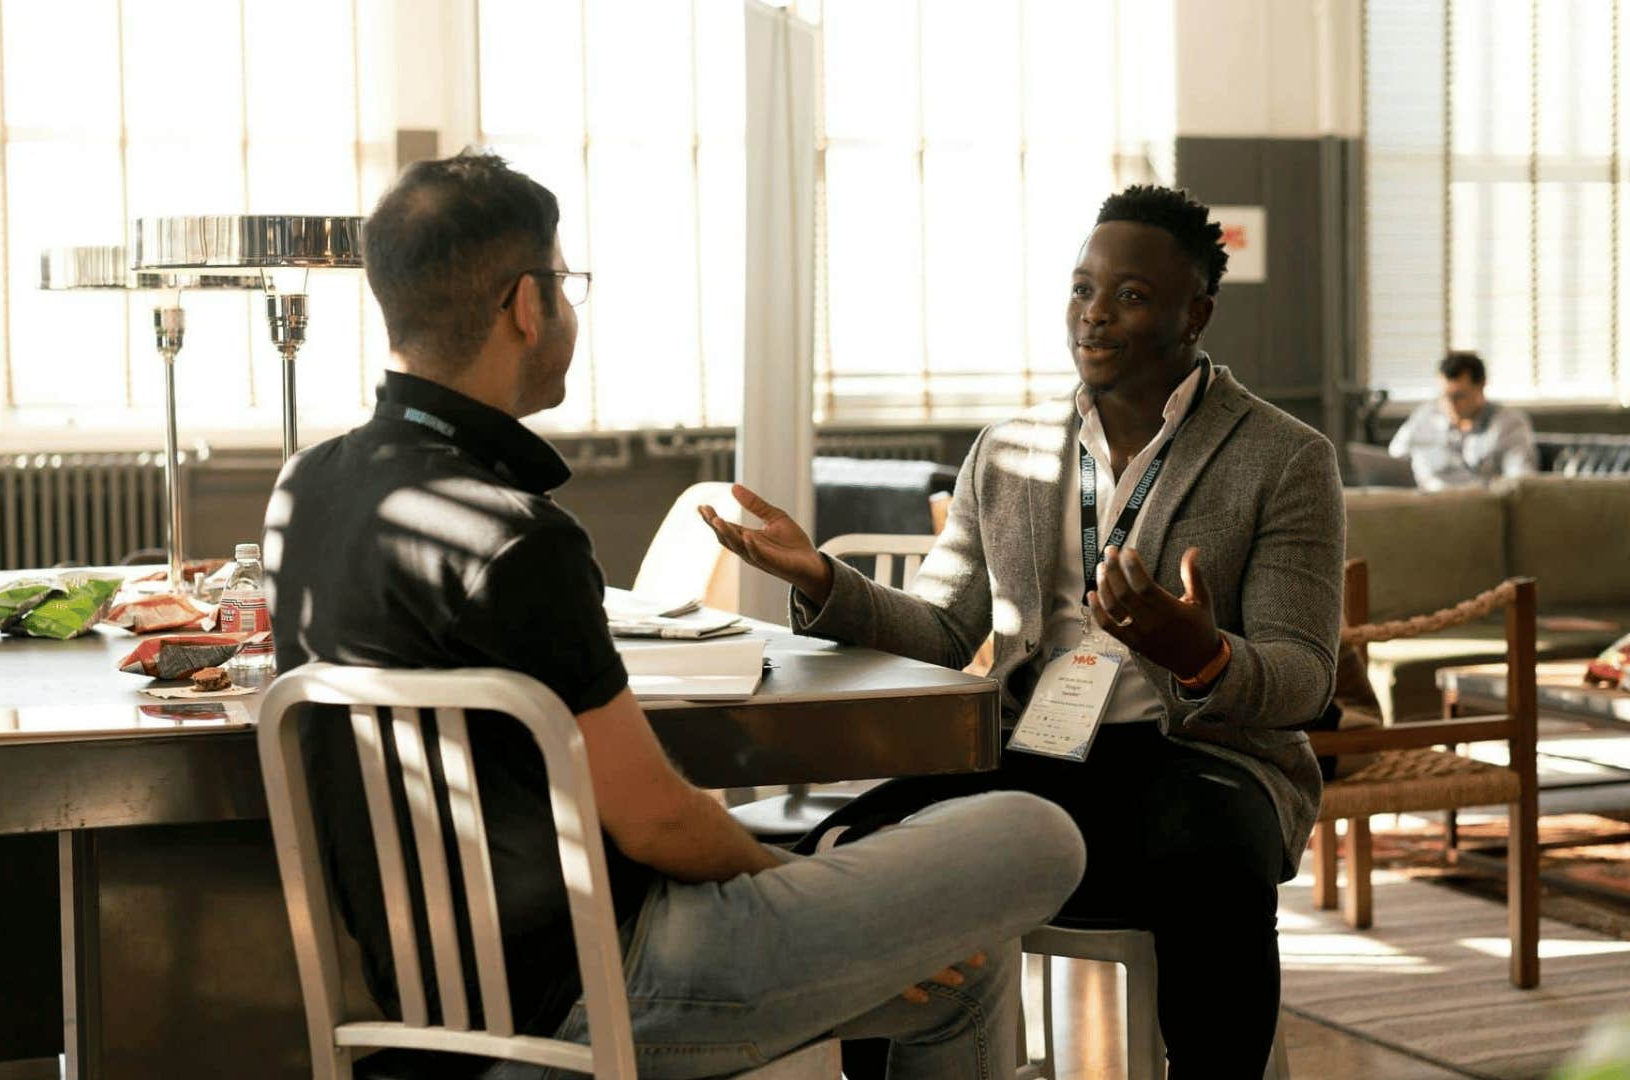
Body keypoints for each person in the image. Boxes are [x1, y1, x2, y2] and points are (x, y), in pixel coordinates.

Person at [265, 151, 1085, 1080]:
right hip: (603, 993)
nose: (569, 311)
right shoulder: (520, 538)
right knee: (1034, 831)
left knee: (962, 974)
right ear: (526, 305)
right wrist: (800, 891)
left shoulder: (307, 489)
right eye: (566, 285)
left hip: (426, 1009)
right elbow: (656, 823)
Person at [702, 185, 1344, 1076]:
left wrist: (1200, 651)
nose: (1095, 316)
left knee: (1213, 859)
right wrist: (819, 578)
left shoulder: (1284, 457)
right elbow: (939, 628)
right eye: (1083, 289)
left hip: (1200, 758)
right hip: (1031, 756)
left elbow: (1307, 673)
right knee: (852, 853)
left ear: (1196, 313)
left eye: (1131, 295)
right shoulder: (1006, 449)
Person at [1387, 350, 1539, 490]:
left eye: (1459, 396)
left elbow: (1521, 480)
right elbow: (1394, 458)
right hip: (1425, 504)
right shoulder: (1426, 415)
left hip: (1477, 505)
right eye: (1445, 396)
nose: (1450, 405)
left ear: (1481, 385)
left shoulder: (1508, 423)